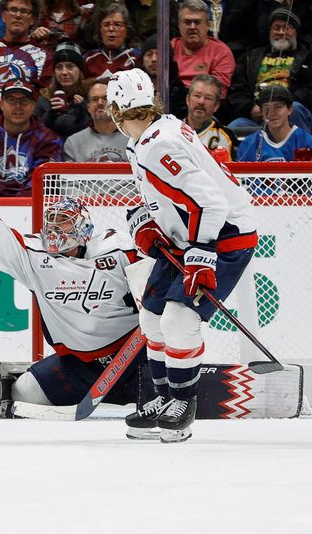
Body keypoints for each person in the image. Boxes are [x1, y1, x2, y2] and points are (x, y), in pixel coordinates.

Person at [0, 145, 142, 413]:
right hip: (79, 367)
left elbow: (154, 285)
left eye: (63, 221)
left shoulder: (120, 249)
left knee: (170, 382)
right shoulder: (35, 257)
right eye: (50, 221)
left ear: (84, 226)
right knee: (21, 392)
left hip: (136, 360)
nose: (54, 228)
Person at [107, 68, 257, 443]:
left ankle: (182, 404)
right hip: (187, 236)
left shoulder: (160, 144)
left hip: (223, 236)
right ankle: (161, 399)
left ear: (116, 109)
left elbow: (211, 203)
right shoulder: (149, 134)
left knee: (179, 317)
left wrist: (202, 253)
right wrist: (145, 220)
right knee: (152, 315)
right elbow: (166, 193)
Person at [225, 7, 312, 136]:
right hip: (258, 117)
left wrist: (286, 105)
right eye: (276, 27)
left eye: (286, 27)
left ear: (296, 32)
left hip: (292, 114)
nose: (281, 32)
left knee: (296, 109)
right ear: (270, 31)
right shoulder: (250, 57)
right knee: (232, 129)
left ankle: (299, 154)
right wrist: (250, 108)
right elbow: (237, 90)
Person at [0, 77, 62, 196]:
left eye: (24, 100)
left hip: (31, 208)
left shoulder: (48, 138)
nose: (18, 106)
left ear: (33, 105)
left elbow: (41, 182)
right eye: (11, 100)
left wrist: (14, 208)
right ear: (1, 104)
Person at [0, 0, 52, 101]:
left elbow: (43, 100)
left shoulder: (44, 55)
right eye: (13, 10)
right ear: (4, 15)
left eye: (24, 11)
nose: (18, 15)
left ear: (32, 19)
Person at [236, 84, 312, 162]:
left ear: (290, 109)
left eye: (278, 107)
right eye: (267, 108)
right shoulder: (249, 144)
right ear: (261, 113)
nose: (272, 113)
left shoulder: (306, 142)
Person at [172, 0, 234, 100]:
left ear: (208, 25)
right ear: (179, 25)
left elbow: (218, 92)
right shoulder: (170, 48)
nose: (192, 27)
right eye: (187, 22)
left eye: (197, 22)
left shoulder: (221, 52)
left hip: (204, 106)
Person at [34, 42, 89, 140]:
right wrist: (50, 115)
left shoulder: (90, 95)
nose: (64, 72)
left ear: (80, 70)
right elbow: (34, 132)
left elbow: (99, 129)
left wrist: (83, 110)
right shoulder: (45, 98)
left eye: (70, 66)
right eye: (59, 67)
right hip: (51, 149)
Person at [63, 78, 127, 162]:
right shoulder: (73, 142)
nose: (100, 103)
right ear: (88, 107)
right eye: (94, 99)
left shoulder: (133, 139)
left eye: (105, 98)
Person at [184, 74, 238, 160]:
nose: (201, 102)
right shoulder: (172, 131)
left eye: (208, 98)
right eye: (197, 96)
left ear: (216, 105)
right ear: (188, 100)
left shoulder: (225, 137)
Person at [82, 3, 140, 79]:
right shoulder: (89, 58)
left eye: (117, 24)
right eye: (106, 25)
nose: (111, 29)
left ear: (127, 30)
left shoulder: (137, 58)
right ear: (100, 30)